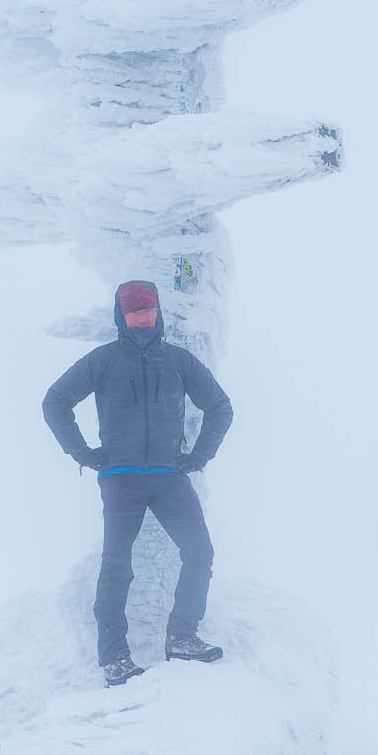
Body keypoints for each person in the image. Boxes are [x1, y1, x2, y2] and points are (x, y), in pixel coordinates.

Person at [42, 279, 233, 686]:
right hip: (120, 479)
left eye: (148, 311)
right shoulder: (104, 361)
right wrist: (84, 454)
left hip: (168, 476)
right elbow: (55, 401)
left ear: (158, 314)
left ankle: (182, 636)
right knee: (117, 566)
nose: (142, 318)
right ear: (122, 318)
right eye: (134, 313)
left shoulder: (179, 361)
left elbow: (220, 407)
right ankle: (115, 659)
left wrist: (198, 457)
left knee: (200, 552)